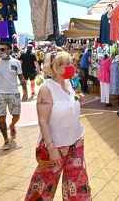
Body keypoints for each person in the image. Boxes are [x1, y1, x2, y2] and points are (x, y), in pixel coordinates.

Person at [25, 51, 91, 200]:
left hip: (76, 140)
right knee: (44, 185)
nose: (71, 66)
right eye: (66, 64)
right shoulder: (46, 90)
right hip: (55, 144)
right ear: (55, 67)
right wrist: (51, 148)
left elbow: (65, 105)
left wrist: (76, 101)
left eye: (70, 63)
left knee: (77, 184)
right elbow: (43, 121)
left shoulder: (68, 84)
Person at [0, 42, 28, 150]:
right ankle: (6, 140)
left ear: (9, 50)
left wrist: (25, 91)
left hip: (13, 92)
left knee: (16, 115)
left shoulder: (16, 63)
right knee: (1, 118)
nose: (1, 52)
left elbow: (21, 77)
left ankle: (12, 125)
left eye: (3, 49)